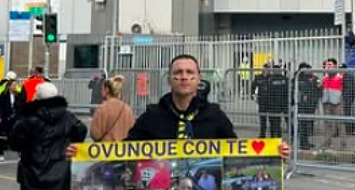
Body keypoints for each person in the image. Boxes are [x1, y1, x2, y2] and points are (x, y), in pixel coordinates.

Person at [66, 55, 289, 157]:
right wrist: (84, 154)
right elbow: (124, 151)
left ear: (198, 78)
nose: (184, 77)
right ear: (169, 78)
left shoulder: (214, 116)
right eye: (178, 73)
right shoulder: (152, 116)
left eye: (189, 72)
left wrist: (272, 154)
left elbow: (237, 152)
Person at [9, 81, 87, 190]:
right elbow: (81, 129)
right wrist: (71, 144)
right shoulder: (67, 115)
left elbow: (14, 141)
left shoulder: (31, 117)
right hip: (59, 165)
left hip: (34, 165)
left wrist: (25, 145)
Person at [90, 75, 135, 142]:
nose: (101, 91)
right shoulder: (127, 109)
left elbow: (95, 134)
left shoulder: (102, 109)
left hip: (106, 149)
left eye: (102, 89)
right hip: (123, 149)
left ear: (107, 90)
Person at [0, 72, 25, 161]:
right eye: (13, 84)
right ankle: (0, 152)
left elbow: (21, 102)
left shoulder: (17, 94)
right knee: (1, 135)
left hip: (15, 117)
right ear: (9, 85)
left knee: (17, 134)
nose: (15, 86)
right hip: (4, 116)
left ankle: (20, 152)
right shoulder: (3, 93)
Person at [295, 62, 321, 150]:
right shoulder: (297, 78)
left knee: (308, 125)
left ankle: (306, 142)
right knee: (302, 125)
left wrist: (316, 98)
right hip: (301, 105)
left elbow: (319, 89)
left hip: (311, 104)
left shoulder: (313, 78)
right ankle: (302, 144)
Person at [321, 59, 344, 149]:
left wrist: (343, 99)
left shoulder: (340, 76)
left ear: (335, 66)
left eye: (330, 64)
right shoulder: (325, 77)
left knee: (340, 122)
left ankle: (343, 143)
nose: (328, 66)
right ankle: (328, 142)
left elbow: (347, 89)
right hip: (327, 102)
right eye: (327, 65)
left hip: (337, 102)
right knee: (327, 123)